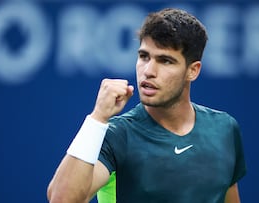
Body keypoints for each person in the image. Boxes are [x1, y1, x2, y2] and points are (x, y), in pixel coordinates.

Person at [47, 8, 247, 203]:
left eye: (165, 61)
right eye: (144, 56)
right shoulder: (117, 136)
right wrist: (98, 117)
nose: (148, 71)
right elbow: (62, 199)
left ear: (192, 71)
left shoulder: (224, 129)